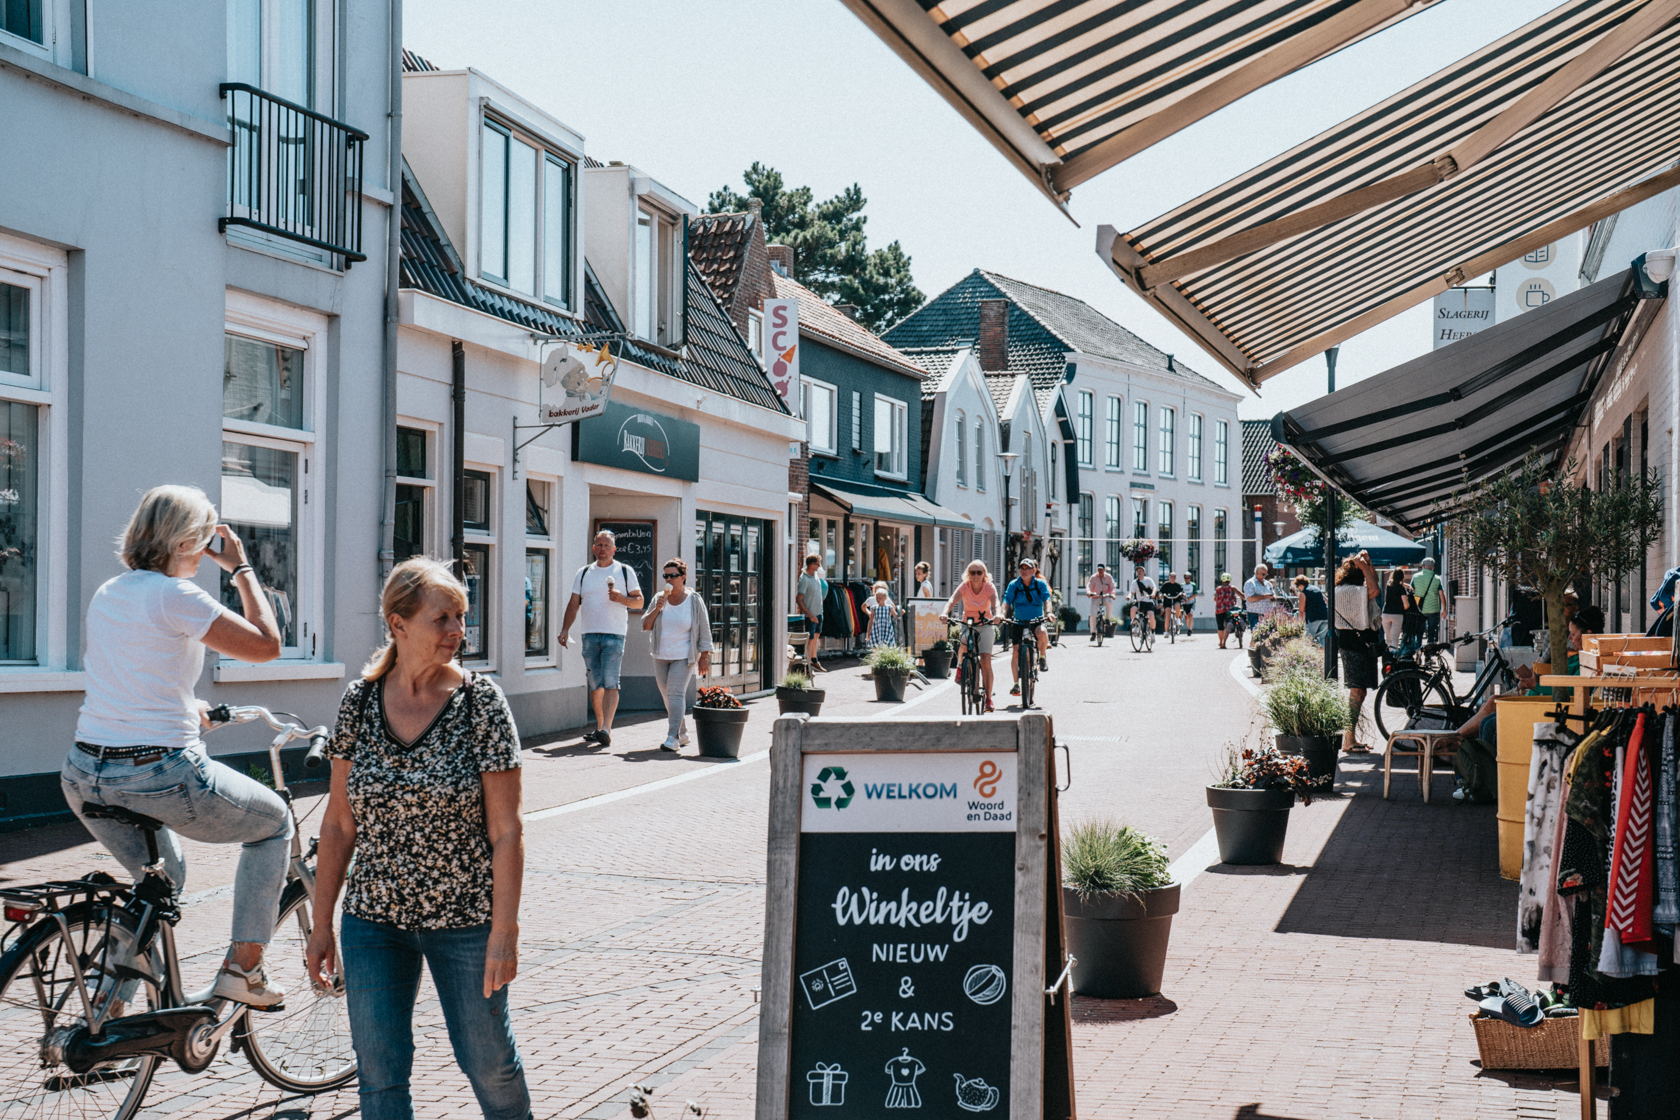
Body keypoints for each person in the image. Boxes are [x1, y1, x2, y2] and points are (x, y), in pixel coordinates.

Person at [307, 558, 529, 1120]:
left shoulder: (481, 704)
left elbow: (507, 830)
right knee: (379, 1078)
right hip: (374, 919)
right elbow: (337, 823)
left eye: (461, 617)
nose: (458, 631)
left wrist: (504, 929)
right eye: (443, 618)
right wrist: (321, 922)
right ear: (398, 623)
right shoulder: (359, 702)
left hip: (466, 920)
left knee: (488, 1064)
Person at [62, 485, 289, 1009]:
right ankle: (243, 970)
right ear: (190, 540)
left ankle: (106, 1010)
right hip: (158, 773)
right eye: (207, 536)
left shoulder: (111, 591)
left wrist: (189, 712)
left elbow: (132, 677)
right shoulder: (175, 595)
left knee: (160, 881)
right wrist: (241, 568)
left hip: (83, 772)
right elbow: (266, 646)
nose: (211, 546)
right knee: (275, 822)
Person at [1454, 604, 1606, 749]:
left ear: (1588, 634)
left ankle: (1457, 745)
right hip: (1540, 699)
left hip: (1545, 706)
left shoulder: (1591, 661)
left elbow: (1572, 691)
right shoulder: (1580, 657)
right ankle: (1458, 747)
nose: (1570, 638)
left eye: (1573, 634)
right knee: (1490, 716)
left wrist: (1536, 684)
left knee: (1490, 722)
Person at [559, 529, 644, 748]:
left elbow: (639, 602)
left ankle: (607, 728)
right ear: (593, 548)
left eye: (606, 545)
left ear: (614, 549)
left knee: (610, 681)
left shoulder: (624, 571)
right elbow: (573, 603)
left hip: (614, 634)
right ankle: (599, 726)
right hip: (589, 634)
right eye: (598, 545)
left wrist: (621, 598)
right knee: (595, 684)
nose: (602, 549)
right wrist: (565, 629)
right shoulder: (584, 572)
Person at [642, 557, 714, 752]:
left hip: (684, 656)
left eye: (673, 576)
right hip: (661, 654)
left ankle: (672, 737)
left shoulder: (694, 600)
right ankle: (683, 733)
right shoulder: (659, 598)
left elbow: (705, 629)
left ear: (683, 577)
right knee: (667, 696)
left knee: (675, 693)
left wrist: (704, 656)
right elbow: (645, 625)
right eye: (666, 576)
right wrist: (657, 608)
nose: (669, 580)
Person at [1333, 551, 1382, 754]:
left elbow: (1374, 582)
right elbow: (1375, 590)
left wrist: (1368, 564)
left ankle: (1350, 737)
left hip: (1359, 644)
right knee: (1356, 691)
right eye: (1362, 572)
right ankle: (1348, 739)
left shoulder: (1352, 589)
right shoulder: (1348, 591)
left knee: (1359, 692)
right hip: (1354, 645)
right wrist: (1363, 567)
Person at [942, 561, 999, 712]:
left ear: (984, 575)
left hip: (985, 624)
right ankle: (961, 666)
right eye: (972, 572)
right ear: (968, 574)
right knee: (964, 643)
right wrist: (944, 613)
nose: (975, 576)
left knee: (986, 661)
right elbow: (952, 600)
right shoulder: (965, 586)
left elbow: (996, 602)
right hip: (968, 623)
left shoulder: (989, 587)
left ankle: (988, 699)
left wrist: (998, 614)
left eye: (979, 573)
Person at [1002, 559, 1052, 695]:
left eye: (1027, 568)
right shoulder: (1014, 584)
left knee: (1042, 632)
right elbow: (1007, 600)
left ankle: (1042, 657)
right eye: (1022, 568)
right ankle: (1016, 684)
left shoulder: (1040, 584)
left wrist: (1049, 612)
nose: (1024, 571)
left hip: (1036, 620)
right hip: (1019, 621)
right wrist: (1001, 614)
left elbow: (1047, 599)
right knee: (1016, 651)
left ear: (1033, 571)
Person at [1411, 557, 1444, 642]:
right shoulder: (1437, 578)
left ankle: (1418, 648)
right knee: (1431, 631)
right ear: (1433, 567)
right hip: (1433, 609)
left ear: (1423, 566)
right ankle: (1429, 650)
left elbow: (1411, 590)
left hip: (1419, 609)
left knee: (1419, 631)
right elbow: (1441, 594)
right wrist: (1444, 609)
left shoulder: (1415, 577)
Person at [1127, 563, 1160, 647]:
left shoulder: (1148, 580)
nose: (1139, 572)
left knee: (1151, 615)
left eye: (1141, 571)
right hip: (1139, 601)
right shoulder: (1135, 582)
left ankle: (1152, 632)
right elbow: (1132, 592)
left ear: (1144, 572)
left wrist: (1153, 594)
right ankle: (1135, 625)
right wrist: (1129, 596)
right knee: (1132, 610)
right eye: (1138, 571)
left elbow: (1154, 588)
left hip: (1148, 601)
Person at [1381, 566, 1414, 650]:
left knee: (1388, 639)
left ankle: (1388, 658)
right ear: (1402, 577)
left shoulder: (1388, 585)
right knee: (1395, 639)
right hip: (1397, 614)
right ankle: (1394, 658)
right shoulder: (1401, 589)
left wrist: (1407, 585)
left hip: (1385, 613)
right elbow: (1406, 605)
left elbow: (1395, 583)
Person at [863, 581, 901, 648]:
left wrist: (888, 614)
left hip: (884, 623)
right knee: (874, 640)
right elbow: (863, 607)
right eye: (877, 589)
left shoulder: (887, 600)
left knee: (886, 640)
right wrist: (869, 613)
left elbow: (893, 607)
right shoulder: (871, 599)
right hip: (875, 621)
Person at [1085, 563, 1116, 641]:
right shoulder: (1093, 577)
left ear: (1104, 569)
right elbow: (1089, 586)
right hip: (1096, 597)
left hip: (1105, 596)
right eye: (1099, 569)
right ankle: (1093, 633)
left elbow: (1113, 586)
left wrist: (1112, 594)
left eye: (1101, 569)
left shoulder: (1109, 577)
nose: (1100, 571)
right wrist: (1089, 592)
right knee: (1092, 614)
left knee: (1109, 602)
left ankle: (1108, 619)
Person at [1296, 574, 1329, 646]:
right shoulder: (1317, 589)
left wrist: (1299, 623)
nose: (1298, 588)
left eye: (1297, 586)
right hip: (1325, 616)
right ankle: (1321, 656)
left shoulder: (1303, 593)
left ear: (1299, 584)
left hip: (1313, 618)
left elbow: (1301, 611)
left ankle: (1309, 657)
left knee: (1308, 640)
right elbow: (1327, 601)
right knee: (1321, 641)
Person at [1243, 564, 1277, 629]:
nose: (1264, 576)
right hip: (1255, 613)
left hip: (1268, 613)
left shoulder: (1268, 583)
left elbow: (1273, 594)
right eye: (1263, 574)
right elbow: (1249, 598)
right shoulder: (1250, 583)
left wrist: (1273, 598)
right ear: (1256, 572)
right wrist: (1264, 596)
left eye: (1265, 574)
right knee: (1257, 635)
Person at [1214, 573, 1242, 648]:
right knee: (1227, 625)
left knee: (1220, 627)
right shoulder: (1233, 588)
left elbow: (1215, 599)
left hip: (1219, 609)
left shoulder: (1218, 588)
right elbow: (1241, 595)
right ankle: (1224, 643)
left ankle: (1220, 642)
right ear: (1229, 580)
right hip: (1229, 610)